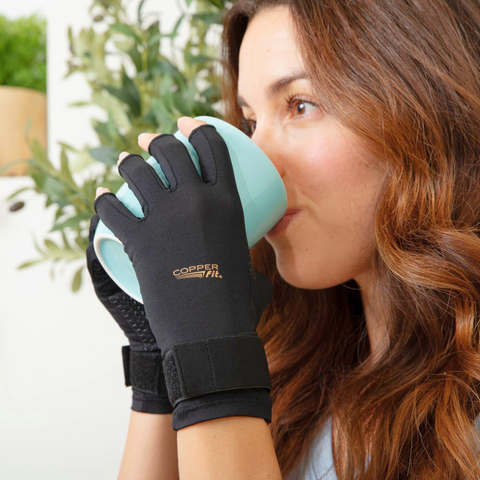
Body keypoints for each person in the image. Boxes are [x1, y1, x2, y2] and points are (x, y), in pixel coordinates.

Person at [87, 0, 480, 478]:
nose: (259, 157)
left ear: (425, 115)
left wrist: (216, 370)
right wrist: (162, 363)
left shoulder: (466, 421)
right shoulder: (300, 381)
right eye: (251, 123)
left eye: (301, 105)